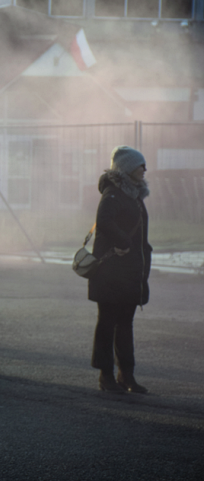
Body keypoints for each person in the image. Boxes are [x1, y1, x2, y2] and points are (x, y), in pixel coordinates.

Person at [88, 146, 152, 394]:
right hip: (111, 272)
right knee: (108, 322)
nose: (144, 169)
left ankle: (126, 375)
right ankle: (106, 376)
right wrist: (124, 242)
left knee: (125, 323)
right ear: (126, 168)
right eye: (140, 164)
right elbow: (104, 222)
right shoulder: (114, 194)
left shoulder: (133, 194)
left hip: (129, 272)